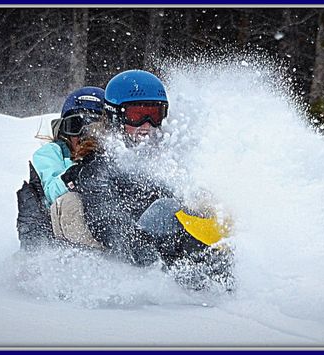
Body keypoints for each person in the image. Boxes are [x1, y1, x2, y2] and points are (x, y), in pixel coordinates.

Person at [71, 70, 228, 272]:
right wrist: (146, 251)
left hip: (177, 246)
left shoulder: (164, 157)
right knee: (166, 207)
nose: (147, 125)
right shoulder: (99, 165)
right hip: (139, 256)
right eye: (137, 115)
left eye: (154, 115)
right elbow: (104, 220)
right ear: (115, 116)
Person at [30, 86, 106, 250]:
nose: (83, 135)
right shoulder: (50, 153)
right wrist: (74, 175)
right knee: (70, 202)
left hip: (104, 225)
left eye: (93, 128)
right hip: (62, 232)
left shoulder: (110, 155)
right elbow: (50, 192)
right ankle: (84, 260)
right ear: (64, 130)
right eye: (75, 126)